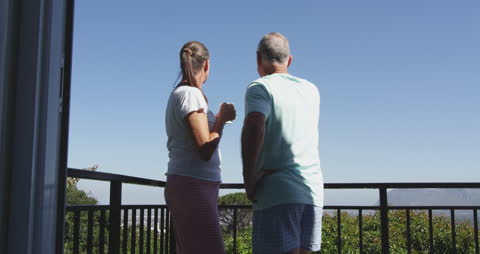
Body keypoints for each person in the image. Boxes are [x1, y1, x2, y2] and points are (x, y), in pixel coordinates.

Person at [241, 32, 324, 254]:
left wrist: (249, 180)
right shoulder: (311, 90)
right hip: (312, 192)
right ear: (289, 59)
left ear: (258, 58)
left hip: (276, 191)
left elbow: (254, 126)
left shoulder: (260, 87)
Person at [164, 41, 236, 254]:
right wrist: (221, 120)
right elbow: (205, 148)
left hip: (191, 185)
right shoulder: (190, 94)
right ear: (206, 64)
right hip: (193, 186)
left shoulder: (182, 94)